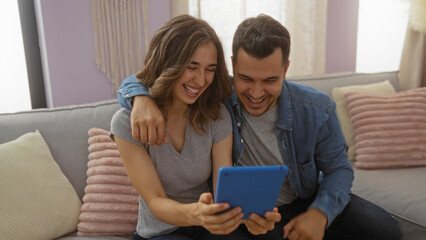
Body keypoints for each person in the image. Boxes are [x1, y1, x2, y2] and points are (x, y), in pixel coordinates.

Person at [117, 14, 402, 240]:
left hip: (302, 199)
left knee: (386, 230)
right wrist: (140, 97)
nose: (255, 93)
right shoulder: (217, 97)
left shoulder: (316, 109)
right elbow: (153, 75)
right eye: (245, 78)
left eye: (269, 81)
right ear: (232, 67)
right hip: (250, 211)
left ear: (286, 70)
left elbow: (339, 169)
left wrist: (320, 214)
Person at [111, 15, 272, 240]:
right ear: (168, 63)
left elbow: (222, 192)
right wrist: (196, 214)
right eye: (191, 66)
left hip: (207, 227)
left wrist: (251, 219)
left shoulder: (216, 116)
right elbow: (156, 201)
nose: (200, 80)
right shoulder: (127, 122)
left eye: (210, 69)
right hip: (160, 232)